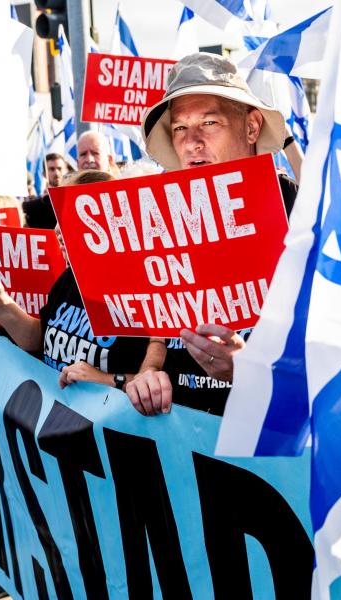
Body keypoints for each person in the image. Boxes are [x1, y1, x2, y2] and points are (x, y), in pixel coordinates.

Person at [126, 52, 299, 416]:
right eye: (179, 128)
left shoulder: (296, 212)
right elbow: (161, 333)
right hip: (179, 442)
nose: (192, 142)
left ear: (251, 128)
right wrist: (148, 375)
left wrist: (249, 369)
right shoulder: (161, 215)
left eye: (209, 122)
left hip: (266, 451)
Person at [0, 170, 164, 393]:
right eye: (58, 217)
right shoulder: (69, 278)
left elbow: (159, 382)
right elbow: (39, 339)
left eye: (70, 217)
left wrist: (106, 379)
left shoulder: (142, 291)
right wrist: (0, 302)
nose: (57, 230)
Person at [22, 153, 71, 230]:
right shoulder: (31, 207)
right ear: (44, 173)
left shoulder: (73, 201)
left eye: (59, 169)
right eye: (51, 169)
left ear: (66, 171)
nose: (56, 173)